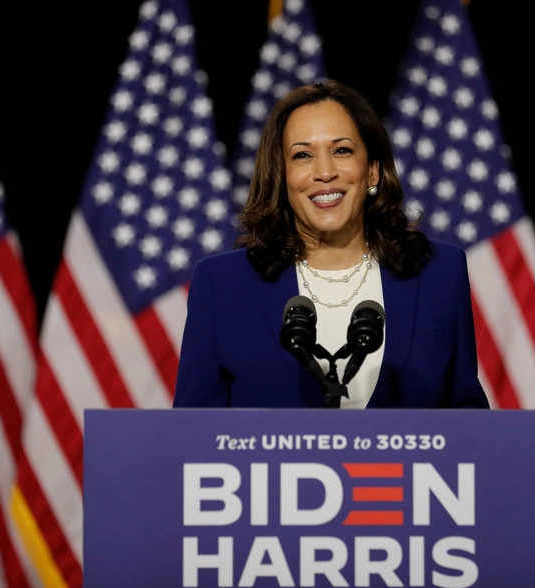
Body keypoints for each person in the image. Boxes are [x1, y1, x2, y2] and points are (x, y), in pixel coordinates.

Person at [173, 79, 489, 410]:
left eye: (341, 150)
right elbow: (194, 435)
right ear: (282, 176)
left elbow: (467, 424)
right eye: (302, 155)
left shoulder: (438, 273)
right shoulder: (223, 284)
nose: (324, 172)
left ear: (372, 171)